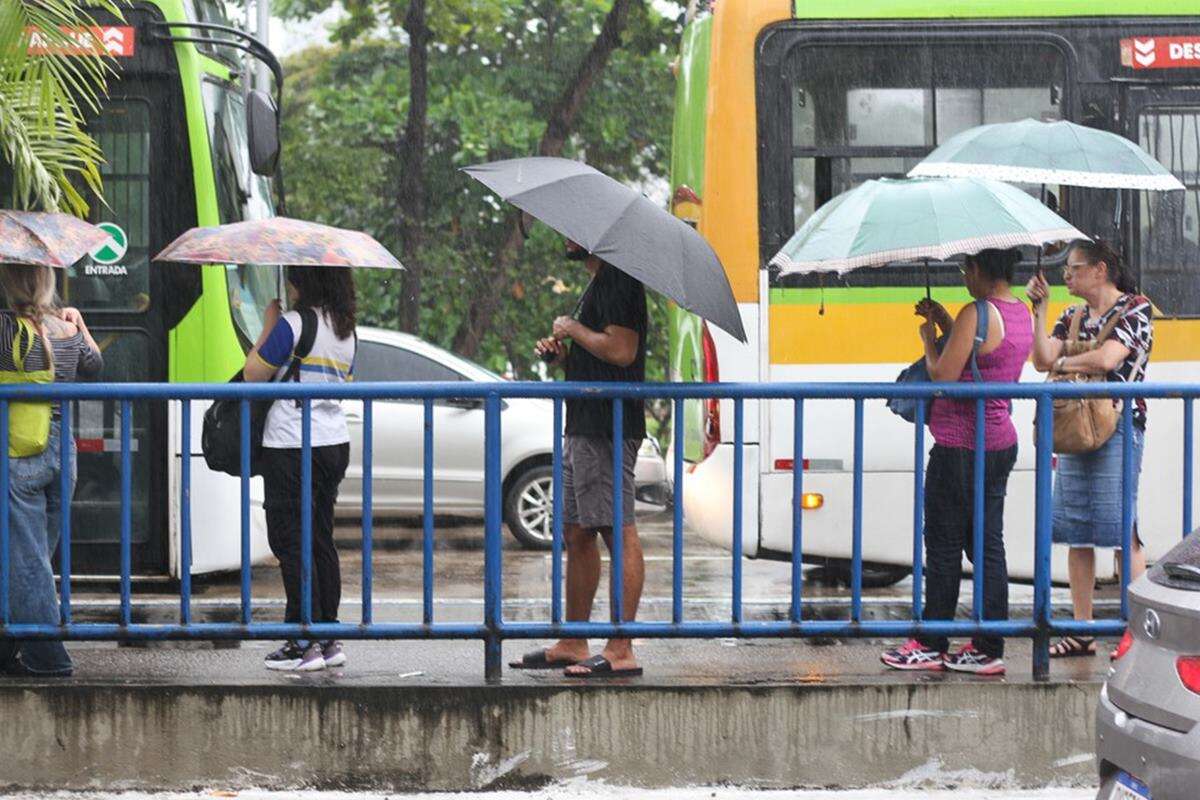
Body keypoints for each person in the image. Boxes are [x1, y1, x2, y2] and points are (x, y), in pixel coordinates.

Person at [881, 248, 1032, 676]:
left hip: (960, 445)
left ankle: (930, 642)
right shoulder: (1019, 311)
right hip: (999, 441)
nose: (965, 275)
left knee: (944, 545)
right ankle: (988, 646)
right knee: (987, 544)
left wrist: (929, 341)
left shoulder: (977, 311)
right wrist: (949, 322)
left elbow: (944, 376)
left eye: (967, 268)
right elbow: (985, 358)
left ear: (981, 270)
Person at [511, 240, 647, 678]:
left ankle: (620, 647)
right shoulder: (598, 282)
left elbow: (623, 350)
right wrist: (565, 354)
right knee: (576, 531)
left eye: (572, 233)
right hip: (583, 422)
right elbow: (601, 352)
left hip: (607, 424)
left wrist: (573, 328)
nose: (565, 240)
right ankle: (574, 639)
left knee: (614, 527)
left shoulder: (621, 278)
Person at [1026, 240, 1153, 659]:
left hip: (1119, 427)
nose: (1067, 276)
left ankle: (1134, 632)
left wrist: (1062, 363)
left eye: (1074, 268)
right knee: (1075, 530)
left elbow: (1107, 359)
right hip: (1075, 427)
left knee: (1121, 529)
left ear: (1100, 270)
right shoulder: (1071, 315)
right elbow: (1041, 358)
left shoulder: (1136, 309)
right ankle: (1081, 630)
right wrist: (1039, 311)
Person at [244, 266, 356, 672]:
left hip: (292, 444)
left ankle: (302, 642)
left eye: (293, 277)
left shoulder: (293, 324)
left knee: (291, 541)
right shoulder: (345, 328)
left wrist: (268, 326)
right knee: (320, 539)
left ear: (303, 282)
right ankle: (328, 638)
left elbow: (253, 375)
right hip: (333, 442)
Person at [0, 264, 102, 677]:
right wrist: (79, 323)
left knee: (28, 560)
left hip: (20, 447)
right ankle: (7, 648)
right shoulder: (66, 330)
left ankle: (48, 656)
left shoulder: (5, 329)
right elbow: (94, 367)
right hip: (63, 450)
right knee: (30, 554)